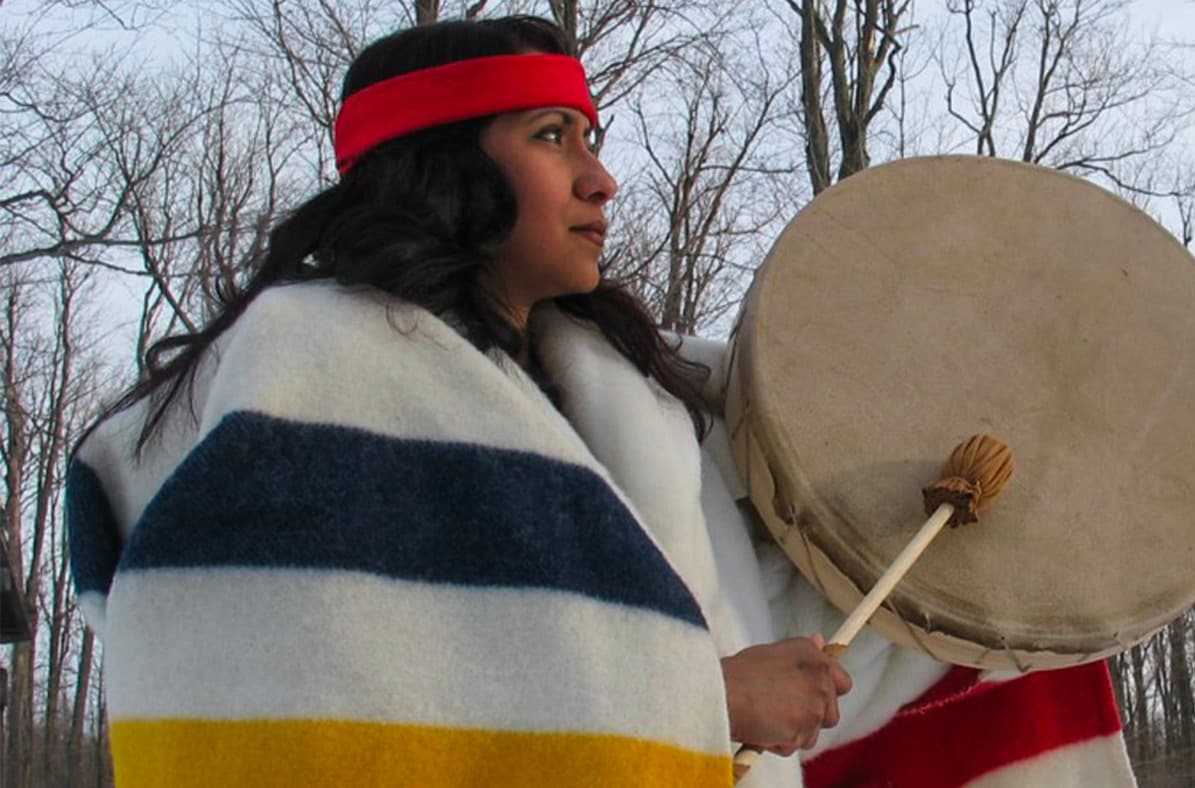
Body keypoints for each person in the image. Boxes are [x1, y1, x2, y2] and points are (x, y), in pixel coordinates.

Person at [66, 16, 849, 787]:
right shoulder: (320, 377)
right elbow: (316, 691)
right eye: (551, 136)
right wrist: (706, 701)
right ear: (443, 166)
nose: (600, 178)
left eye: (591, 137)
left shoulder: (630, 397)